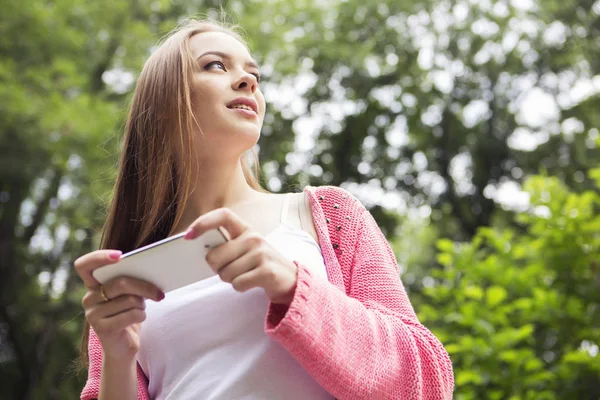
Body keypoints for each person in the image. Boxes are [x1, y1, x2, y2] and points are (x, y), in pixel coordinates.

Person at [75, 18, 454, 400]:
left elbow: (427, 381)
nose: (247, 81)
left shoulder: (330, 216)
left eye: (253, 73)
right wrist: (118, 359)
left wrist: (292, 286)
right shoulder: (126, 280)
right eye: (215, 65)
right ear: (162, 104)